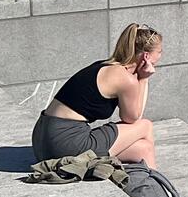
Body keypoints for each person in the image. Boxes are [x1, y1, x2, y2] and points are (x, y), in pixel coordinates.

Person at [32, 23, 164, 168]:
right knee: (145, 125)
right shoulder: (125, 79)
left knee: (144, 149)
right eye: (160, 51)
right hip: (65, 143)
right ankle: (153, 180)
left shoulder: (104, 66)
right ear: (146, 56)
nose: (160, 56)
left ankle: (151, 180)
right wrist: (144, 79)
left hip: (43, 141)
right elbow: (133, 118)